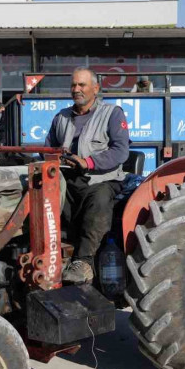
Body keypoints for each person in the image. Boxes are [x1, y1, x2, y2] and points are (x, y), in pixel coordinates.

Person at [45, 67, 130, 284]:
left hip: (102, 178)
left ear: (95, 88)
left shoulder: (112, 113)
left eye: (82, 85)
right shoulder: (61, 117)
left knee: (99, 198)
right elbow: (48, 149)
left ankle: (83, 262)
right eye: (73, 85)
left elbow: (121, 151)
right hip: (69, 178)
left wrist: (88, 162)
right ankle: (49, 251)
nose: (76, 89)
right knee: (43, 195)